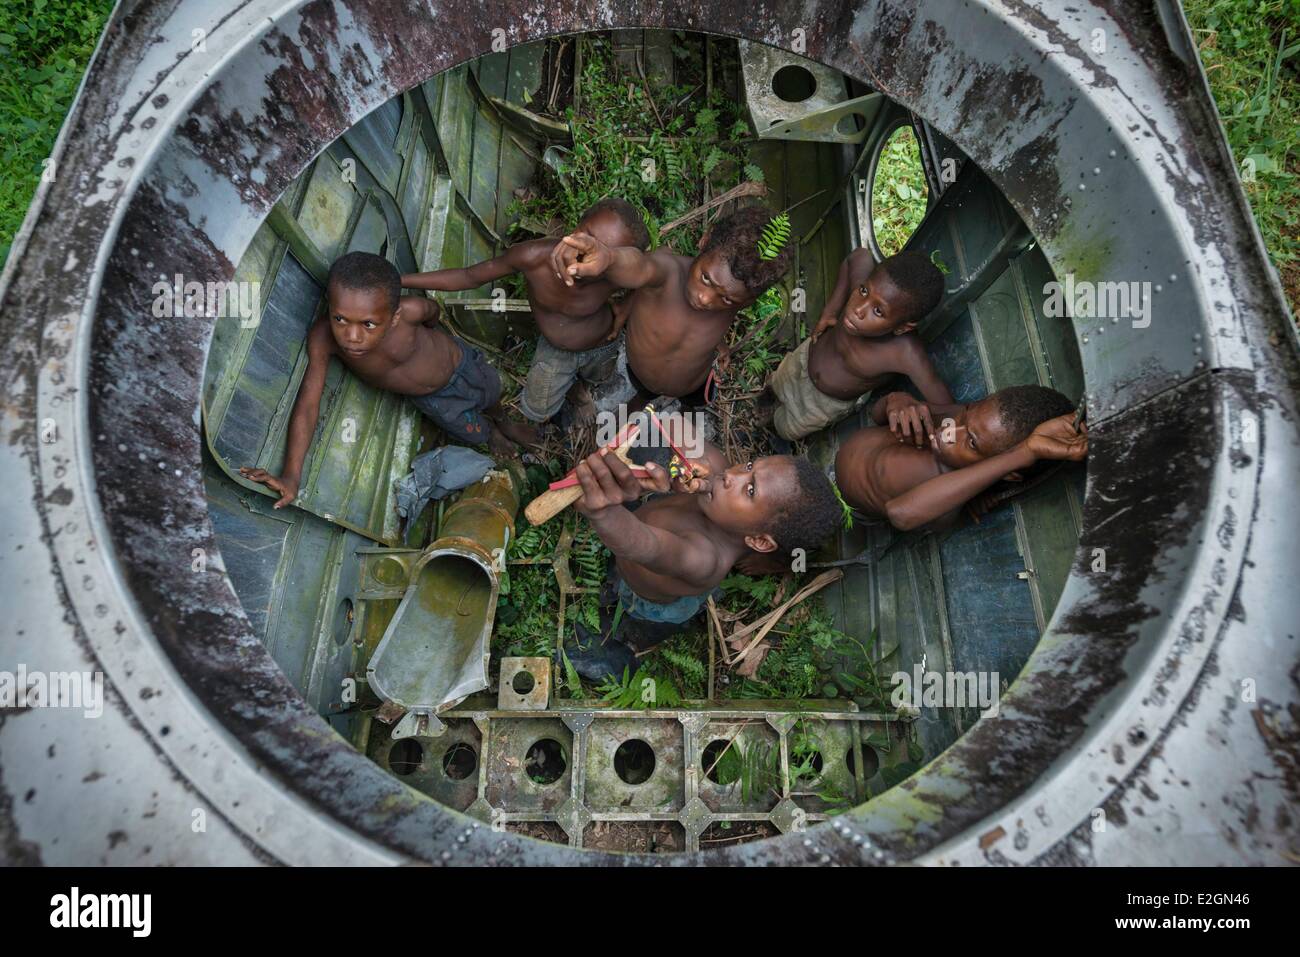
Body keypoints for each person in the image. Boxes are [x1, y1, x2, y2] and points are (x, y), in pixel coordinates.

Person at [240, 251, 534, 508]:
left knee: (490, 391)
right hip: (433, 398)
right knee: (472, 431)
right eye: (339, 319)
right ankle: (493, 433)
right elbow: (308, 405)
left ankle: (505, 421)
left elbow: (432, 314)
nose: (352, 337)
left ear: (393, 317)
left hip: (461, 362)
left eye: (368, 324)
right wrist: (291, 475)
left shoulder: (409, 312)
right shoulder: (322, 339)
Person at [402, 198, 649, 424]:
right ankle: (571, 393)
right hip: (556, 351)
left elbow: (649, 276)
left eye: (604, 253)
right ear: (576, 226)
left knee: (598, 376)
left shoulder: (617, 274)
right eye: (587, 236)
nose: (588, 255)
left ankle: (582, 390)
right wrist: (401, 280)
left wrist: (623, 312)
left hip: (602, 342)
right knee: (538, 407)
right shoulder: (532, 258)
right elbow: (468, 276)